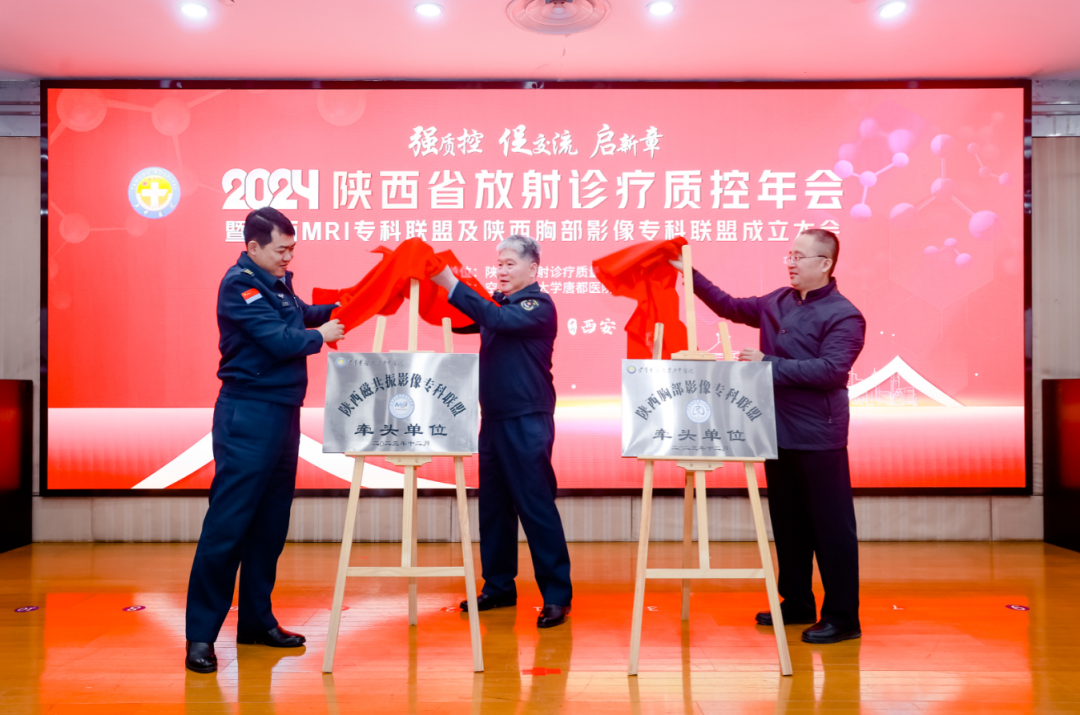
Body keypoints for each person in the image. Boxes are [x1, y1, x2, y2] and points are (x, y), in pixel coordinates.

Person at [677, 228, 865, 644]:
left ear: (825, 264)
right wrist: (689, 273)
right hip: (776, 431)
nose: (791, 263)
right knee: (789, 523)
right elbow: (728, 306)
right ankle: (796, 603)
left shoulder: (844, 315)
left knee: (831, 528)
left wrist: (767, 364)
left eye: (800, 256)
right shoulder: (778, 300)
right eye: (789, 255)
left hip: (819, 435)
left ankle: (842, 617)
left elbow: (831, 370)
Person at [185, 207, 345, 673]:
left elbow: (301, 315)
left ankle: (256, 621)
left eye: (292, 249)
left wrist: (350, 306)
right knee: (228, 526)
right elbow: (280, 339)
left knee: (270, 525)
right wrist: (321, 335)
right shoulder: (239, 285)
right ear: (253, 247)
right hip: (248, 414)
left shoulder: (277, 284)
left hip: (282, 414)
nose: (288, 257)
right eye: (281, 250)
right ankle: (200, 636)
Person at [430, 234, 573, 629]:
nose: (502, 271)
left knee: (535, 506)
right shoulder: (499, 305)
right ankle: (498, 586)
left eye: (510, 264)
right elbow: (466, 318)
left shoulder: (537, 306)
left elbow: (494, 319)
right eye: (499, 264)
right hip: (492, 419)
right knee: (494, 507)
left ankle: (557, 596)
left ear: (533, 268)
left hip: (527, 419)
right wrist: (428, 285)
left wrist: (451, 282)